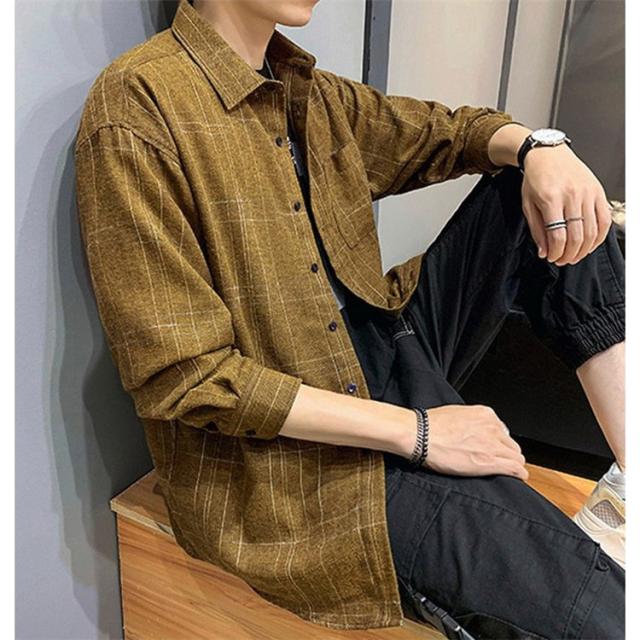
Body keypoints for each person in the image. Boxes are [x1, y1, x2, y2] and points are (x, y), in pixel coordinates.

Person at [73, 0, 625, 636]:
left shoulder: (310, 93)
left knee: (548, 193)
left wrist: (540, 146)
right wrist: (420, 433)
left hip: (383, 353)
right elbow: (186, 376)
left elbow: (453, 132)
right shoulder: (137, 108)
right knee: (596, 606)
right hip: (291, 466)